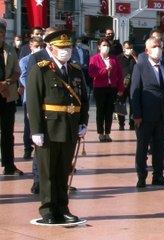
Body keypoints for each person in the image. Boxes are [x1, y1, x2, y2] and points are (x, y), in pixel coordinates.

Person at [27, 30, 89, 224]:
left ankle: (62, 208)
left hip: (69, 128)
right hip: (48, 128)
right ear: (50, 48)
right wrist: (36, 130)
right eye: (61, 48)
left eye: (68, 47)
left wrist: (83, 122)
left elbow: (83, 100)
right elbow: (33, 101)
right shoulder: (41, 69)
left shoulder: (76, 70)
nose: (65, 51)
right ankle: (47, 210)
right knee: (47, 173)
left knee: (63, 171)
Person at [131, 37, 164, 188]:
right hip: (145, 115)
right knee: (142, 147)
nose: (158, 49)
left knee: (159, 147)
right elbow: (135, 92)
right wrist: (136, 114)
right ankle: (141, 176)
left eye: (160, 46)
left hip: (162, 115)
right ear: (147, 50)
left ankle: (158, 175)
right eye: (154, 47)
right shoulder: (140, 66)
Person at [25, 27, 59, 194]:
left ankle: (60, 181)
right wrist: (32, 111)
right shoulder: (37, 57)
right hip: (42, 112)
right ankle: (38, 180)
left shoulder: (64, 57)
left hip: (60, 116)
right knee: (41, 148)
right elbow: (32, 87)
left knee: (60, 151)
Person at [89, 38, 124, 142]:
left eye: (107, 45)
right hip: (99, 88)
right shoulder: (94, 59)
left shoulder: (114, 59)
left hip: (111, 88)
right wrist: (105, 70)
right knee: (100, 111)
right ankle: (100, 133)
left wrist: (120, 88)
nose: (106, 47)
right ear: (99, 47)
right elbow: (92, 73)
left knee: (109, 111)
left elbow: (120, 74)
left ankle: (107, 133)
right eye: (104, 45)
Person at [0, 19, 22, 176]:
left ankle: (9, 165)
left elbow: (17, 71)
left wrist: (7, 82)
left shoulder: (9, 50)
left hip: (7, 96)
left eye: (1, 33)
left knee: (8, 133)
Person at [19, 37, 43, 162]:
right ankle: (27, 148)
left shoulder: (45, 59)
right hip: (30, 97)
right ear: (31, 46)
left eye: (41, 46)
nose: (39, 48)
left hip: (43, 97)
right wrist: (33, 85)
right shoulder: (25, 60)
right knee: (28, 124)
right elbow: (23, 77)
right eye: (36, 46)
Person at [118, 41, 137, 131]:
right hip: (122, 85)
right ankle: (121, 124)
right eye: (127, 48)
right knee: (121, 104)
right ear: (123, 48)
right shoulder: (119, 58)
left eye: (130, 48)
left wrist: (134, 56)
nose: (129, 50)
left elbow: (141, 65)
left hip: (133, 85)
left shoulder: (135, 58)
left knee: (133, 105)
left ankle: (132, 124)